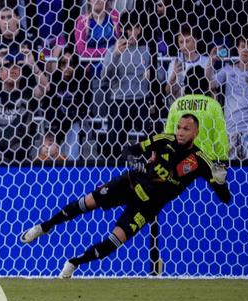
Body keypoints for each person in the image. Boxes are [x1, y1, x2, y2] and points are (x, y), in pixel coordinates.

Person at [20, 114, 231, 278]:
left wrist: (221, 183)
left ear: (196, 133)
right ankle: (44, 227)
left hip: (147, 206)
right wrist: (132, 159)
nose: (180, 132)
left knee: (114, 241)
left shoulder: (201, 161)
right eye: (178, 127)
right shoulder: (164, 140)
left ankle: (74, 262)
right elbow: (128, 149)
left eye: (186, 129)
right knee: (86, 203)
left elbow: (225, 198)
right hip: (130, 183)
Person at [0, 46, 49, 163]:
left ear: (22, 73)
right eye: (7, 67)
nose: (12, 70)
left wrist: (33, 65)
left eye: (16, 67)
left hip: (22, 160)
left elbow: (45, 87)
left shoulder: (28, 93)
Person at [207, 33, 248, 161]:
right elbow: (210, 83)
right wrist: (211, 60)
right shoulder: (228, 70)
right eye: (242, 46)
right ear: (238, 49)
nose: (245, 50)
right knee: (230, 171)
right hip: (230, 131)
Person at [101, 11, 152, 159]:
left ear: (139, 29)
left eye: (135, 28)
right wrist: (116, 54)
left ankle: (150, 171)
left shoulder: (147, 51)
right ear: (123, 29)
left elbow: (161, 75)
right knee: (112, 144)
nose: (131, 32)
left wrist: (152, 73)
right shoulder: (113, 50)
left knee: (153, 139)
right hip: (119, 100)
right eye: (128, 28)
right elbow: (104, 77)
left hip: (142, 100)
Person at [166, 66, 228, 160]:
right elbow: (220, 139)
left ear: (186, 84)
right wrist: (222, 162)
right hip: (205, 162)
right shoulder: (213, 105)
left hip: (179, 162)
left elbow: (168, 137)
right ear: (205, 83)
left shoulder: (176, 105)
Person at [74, 0, 120, 118]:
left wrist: (111, 53)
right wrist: (109, 52)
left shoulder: (115, 17)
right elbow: (82, 51)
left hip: (115, 71)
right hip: (93, 72)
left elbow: (121, 44)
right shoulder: (83, 21)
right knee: (98, 108)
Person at [0, 1, 40, 66]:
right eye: (2, 18)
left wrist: (32, 65)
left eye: (10, 17)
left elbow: (45, 75)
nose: (6, 22)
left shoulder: (32, 40)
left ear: (17, 18)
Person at [165, 24, 209, 101]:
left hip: (201, 108)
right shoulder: (175, 63)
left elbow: (212, 89)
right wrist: (173, 76)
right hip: (181, 109)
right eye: (181, 42)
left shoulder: (206, 62)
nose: (184, 46)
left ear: (195, 40)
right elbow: (168, 92)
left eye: (187, 41)